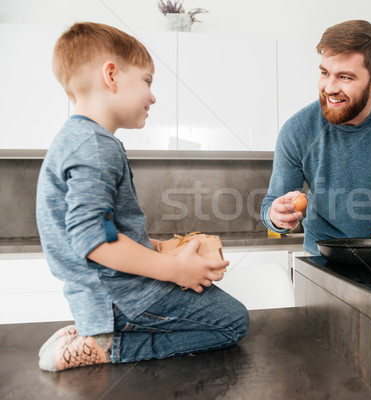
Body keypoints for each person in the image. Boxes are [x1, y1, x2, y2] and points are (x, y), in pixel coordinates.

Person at [36, 22, 248, 372]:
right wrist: (175, 269)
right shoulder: (95, 145)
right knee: (233, 321)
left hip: (105, 296)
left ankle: (97, 332)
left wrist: (156, 246)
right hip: (121, 297)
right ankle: (107, 345)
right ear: (111, 75)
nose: (152, 96)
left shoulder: (75, 139)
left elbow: (102, 230)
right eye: (147, 81)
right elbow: (93, 241)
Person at [261, 20, 371, 255]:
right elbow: (272, 204)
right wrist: (276, 216)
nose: (329, 88)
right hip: (320, 256)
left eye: (345, 77)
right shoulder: (297, 130)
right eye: (325, 73)